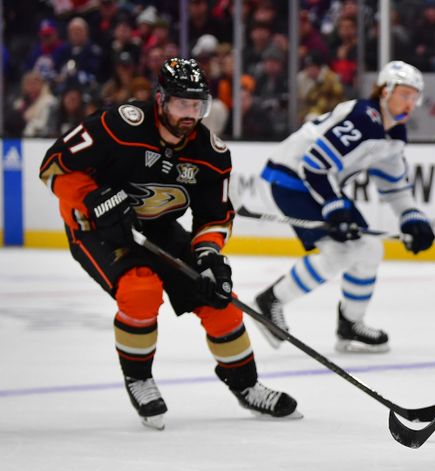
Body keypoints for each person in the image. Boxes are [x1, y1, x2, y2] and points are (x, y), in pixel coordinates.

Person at [38, 58, 300, 430]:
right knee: (140, 289)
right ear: (160, 100)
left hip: (155, 227)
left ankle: (247, 385)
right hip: (95, 225)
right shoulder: (119, 125)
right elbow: (53, 165)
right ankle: (139, 377)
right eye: (182, 104)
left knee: (220, 300)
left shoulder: (211, 153)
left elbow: (214, 216)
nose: (190, 114)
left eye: (197, 105)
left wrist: (209, 256)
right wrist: (93, 198)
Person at [250, 60, 435, 353]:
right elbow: (314, 165)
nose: (409, 102)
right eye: (404, 93)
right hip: (288, 179)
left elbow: (394, 184)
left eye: (414, 96)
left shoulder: (394, 132)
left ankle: (350, 323)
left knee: (370, 249)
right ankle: (269, 301)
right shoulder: (364, 117)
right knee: (343, 251)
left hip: (317, 182)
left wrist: (412, 218)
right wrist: (335, 207)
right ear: (384, 91)